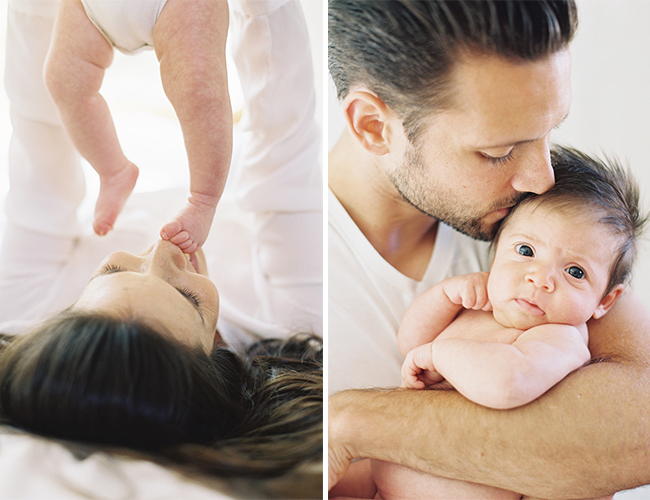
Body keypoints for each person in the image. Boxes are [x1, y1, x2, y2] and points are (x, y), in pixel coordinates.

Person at [327, 1, 650, 497]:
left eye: (550, 132)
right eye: (498, 152)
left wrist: (351, 421)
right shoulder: (282, 269)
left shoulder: (557, 224)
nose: (541, 177)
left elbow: (641, 422)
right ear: (374, 126)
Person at [0, 0, 322, 495]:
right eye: (189, 297)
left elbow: (39, 138)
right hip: (215, 111)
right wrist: (264, 8)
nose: (160, 250)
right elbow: (285, 143)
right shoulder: (292, 316)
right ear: (217, 353)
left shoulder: (21, 307)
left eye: (112, 272)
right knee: (197, 83)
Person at [331, 148, 645, 500]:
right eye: (525, 251)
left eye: (575, 272)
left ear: (605, 301)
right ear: (495, 253)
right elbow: (411, 343)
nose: (539, 279)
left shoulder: (560, 339)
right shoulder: (482, 305)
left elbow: (507, 382)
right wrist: (445, 297)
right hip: (380, 480)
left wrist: (440, 355)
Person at [44, 0, 233, 254]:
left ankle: (203, 198)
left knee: (197, 85)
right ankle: (113, 171)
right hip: (91, 7)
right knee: (64, 78)